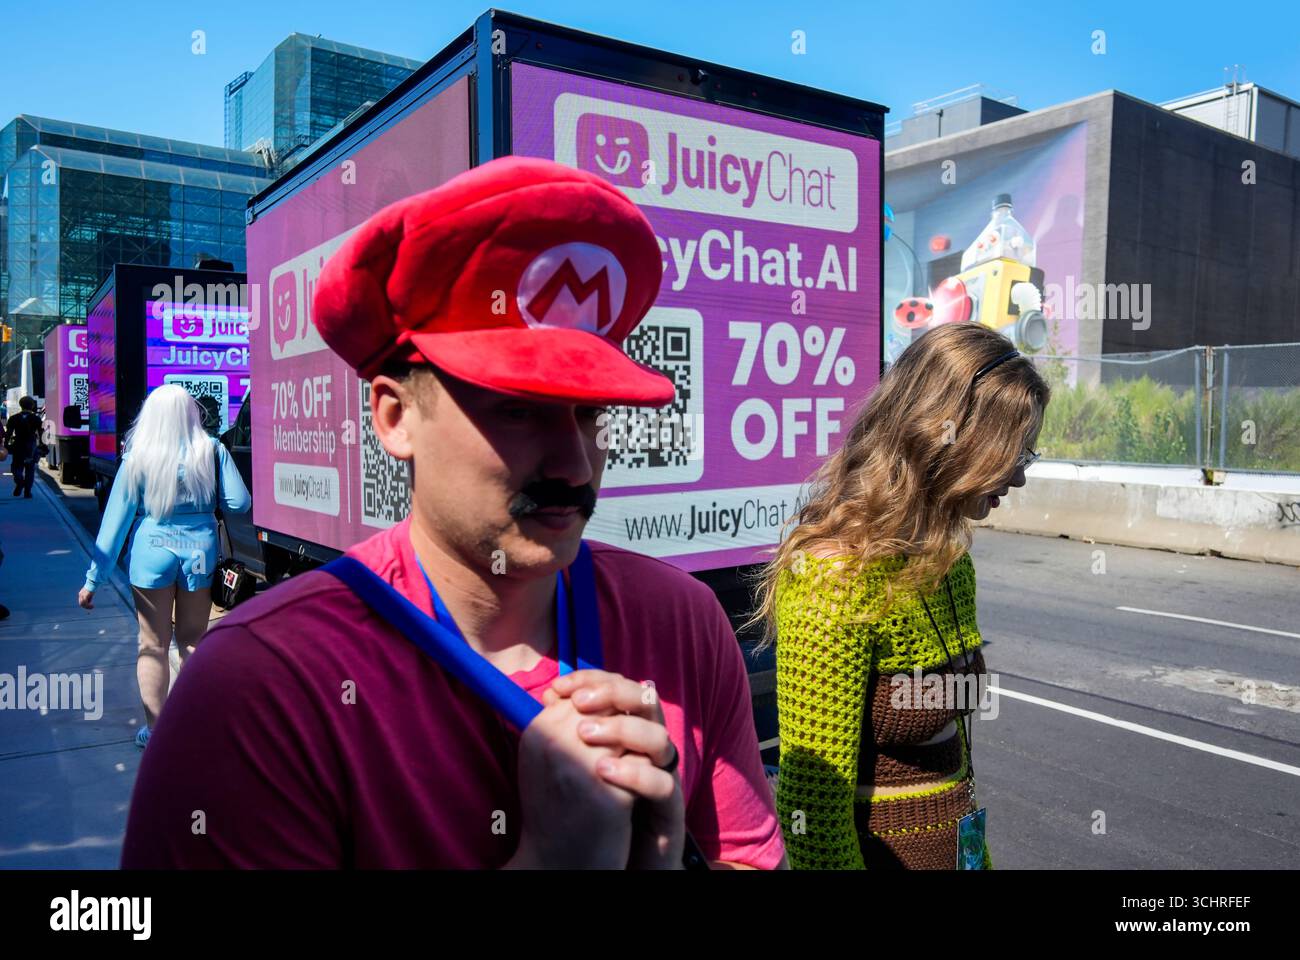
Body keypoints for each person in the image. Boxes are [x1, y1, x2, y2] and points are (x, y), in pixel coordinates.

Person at [120, 156, 785, 870]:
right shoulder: (260, 692)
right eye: (519, 411)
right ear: (395, 417)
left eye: (591, 413)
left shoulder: (681, 625)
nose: (575, 464)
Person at [751, 322, 1051, 869]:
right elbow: (812, 810)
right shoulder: (832, 577)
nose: (1019, 477)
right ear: (950, 437)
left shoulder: (951, 563)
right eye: (1012, 452)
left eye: (1026, 455)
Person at [78, 384, 251, 749]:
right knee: (191, 641)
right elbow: (239, 502)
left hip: (152, 549)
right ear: (192, 414)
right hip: (199, 550)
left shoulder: (138, 456)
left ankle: (156, 732)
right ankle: (193, 725)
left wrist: (94, 579)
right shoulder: (212, 449)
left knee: (152, 645)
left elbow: (115, 523)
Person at [5, 395, 43, 498]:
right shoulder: (36, 419)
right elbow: (41, 434)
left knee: (16, 467)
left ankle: (20, 482)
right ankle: (27, 491)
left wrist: (6, 444)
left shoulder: (14, 418)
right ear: (32, 406)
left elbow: (8, 433)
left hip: (18, 445)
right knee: (30, 469)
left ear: (20, 405)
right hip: (31, 446)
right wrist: (42, 446)